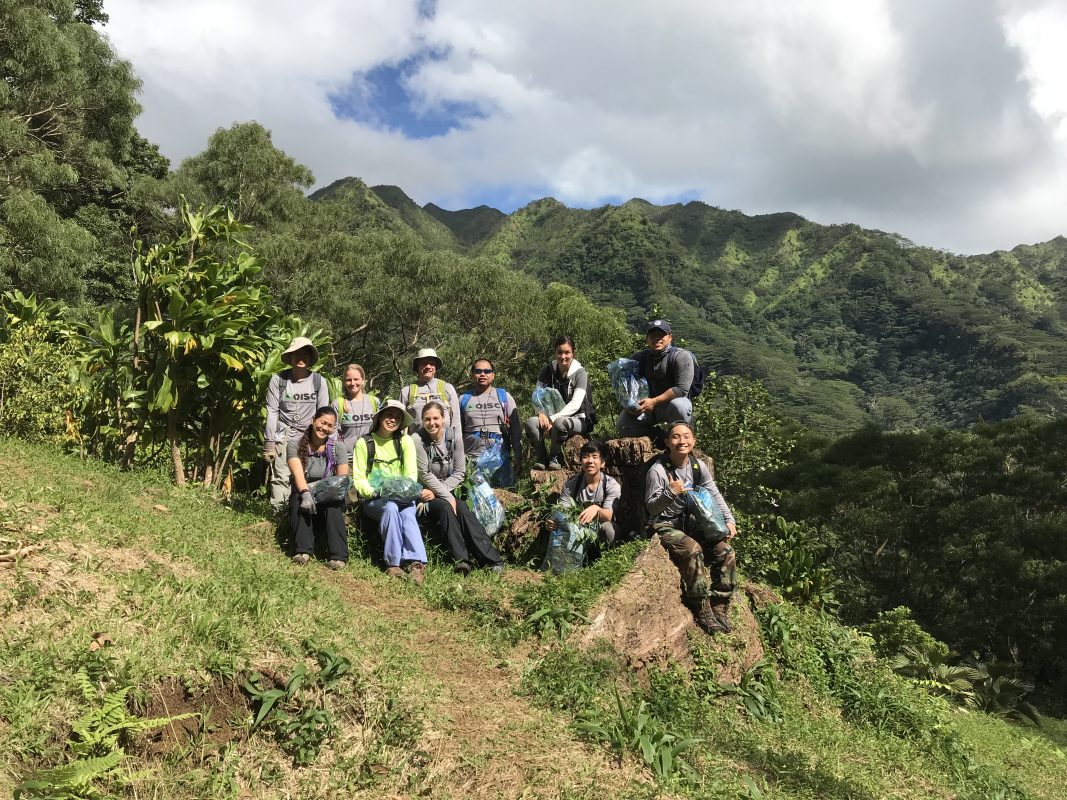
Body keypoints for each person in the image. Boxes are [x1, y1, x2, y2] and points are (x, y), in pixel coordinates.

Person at [646, 421, 737, 634]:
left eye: (686, 436)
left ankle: (720, 604)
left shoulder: (697, 466)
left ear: (693, 441)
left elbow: (714, 493)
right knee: (693, 549)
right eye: (676, 437)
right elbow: (651, 508)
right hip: (665, 524)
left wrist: (729, 520)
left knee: (726, 552)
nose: (682, 441)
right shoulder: (657, 470)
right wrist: (670, 492)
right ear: (667, 442)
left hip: (690, 523)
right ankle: (701, 606)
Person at [413, 401, 504, 575]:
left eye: (436, 418)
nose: (432, 423)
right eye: (427, 419)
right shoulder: (418, 440)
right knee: (446, 506)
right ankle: (461, 560)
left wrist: (443, 492)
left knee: (462, 508)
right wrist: (446, 497)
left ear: (443, 419)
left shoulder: (454, 437)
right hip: (425, 496)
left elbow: (460, 472)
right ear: (422, 421)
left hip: (443, 490)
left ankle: (492, 560)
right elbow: (424, 474)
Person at [351, 400, 428, 584]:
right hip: (374, 498)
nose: (393, 420)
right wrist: (375, 492)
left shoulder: (405, 441)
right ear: (380, 417)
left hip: (402, 495)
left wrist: (399, 491)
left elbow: (410, 475)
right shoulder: (365, 443)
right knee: (391, 508)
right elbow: (359, 479)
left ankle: (417, 563)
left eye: (397, 417)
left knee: (409, 513)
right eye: (389, 415)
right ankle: (393, 563)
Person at [264, 337, 331, 513]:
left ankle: (308, 514)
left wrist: (325, 441)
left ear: (310, 359)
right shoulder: (278, 380)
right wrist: (269, 443)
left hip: (309, 437)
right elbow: (272, 411)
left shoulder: (319, 382)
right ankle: (278, 515)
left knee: (307, 475)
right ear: (290, 357)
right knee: (281, 476)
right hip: (284, 435)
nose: (300, 358)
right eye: (296, 354)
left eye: (305, 354)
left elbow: (324, 413)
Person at [287, 406, 350, 570]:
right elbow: (298, 475)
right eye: (322, 422)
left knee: (333, 505)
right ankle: (303, 551)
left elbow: (341, 480)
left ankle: (338, 556)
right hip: (305, 490)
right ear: (313, 420)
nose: (325, 428)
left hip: (329, 494)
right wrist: (306, 493)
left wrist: (327, 493)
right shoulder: (294, 445)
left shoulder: (338, 448)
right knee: (299, 498)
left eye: (330, 426)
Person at [525, 335, 596, 470]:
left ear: (573, 353)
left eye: (567, 352)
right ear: (555, 352)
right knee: (531, 423)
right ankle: (541, 458)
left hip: (579, 420)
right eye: (560, 352)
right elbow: (537, 396)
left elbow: (575, 404)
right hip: (552, 418)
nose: (563, 356)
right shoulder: (546, 371)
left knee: (560, 423)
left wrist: (552, 419)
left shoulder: (580, 374)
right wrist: (540, 413)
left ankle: (554, 456)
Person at [616, 320, 696, 440]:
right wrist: (629, 405)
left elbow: (681, 389)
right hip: (647, 407)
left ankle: (679, 440)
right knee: (623, 426)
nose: (657, 338)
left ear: (670, 337)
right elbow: (627, 386)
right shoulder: (639, 358)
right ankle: (660, 437)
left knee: (681, 406)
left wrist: (654, 401)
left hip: (671, 405)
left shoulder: (681, 356)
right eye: (653, 336)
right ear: (647, 339)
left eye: (661, 335)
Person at [547, 440, 620, 554]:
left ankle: (607, 558)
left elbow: (609, 516)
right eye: (585, 457)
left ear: (603, 463)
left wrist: (596, 509)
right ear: (581, 461)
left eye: (595, 457)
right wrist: (553, 520)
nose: (590, 461)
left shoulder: (611, 485)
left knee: (609, 529)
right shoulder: (572, 484)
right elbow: (561, 510)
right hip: (576, 529)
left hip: (598, 531)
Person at [460, 358, 523, 486]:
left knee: (503, 496)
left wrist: (518, 456)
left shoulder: (504, 396)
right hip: (471, 460)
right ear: (472, 375)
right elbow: (456, 432)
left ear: (493, 375)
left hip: (499, 461)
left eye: (487, 371)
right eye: (478, 371)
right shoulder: (463, 399)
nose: (483, 374)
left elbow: (515, 428)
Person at [399, 348, 461, 441]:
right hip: (417, 445)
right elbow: (400, 423)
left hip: (445, 445)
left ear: (435, 368)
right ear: (417, 367)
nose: (428, 366)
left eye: (432, 363)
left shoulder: (447, 388)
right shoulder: (406, 391)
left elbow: (456, 422)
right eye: (424, 363)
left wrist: (457, 444)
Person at [335, 363, 379, 448]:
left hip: (370, 456)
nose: (352, 383)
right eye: (348, 380)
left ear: (363, 380)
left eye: (356, 379)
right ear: (344, 382)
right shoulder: (337, 404)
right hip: (347, 458)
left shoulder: (374, 402)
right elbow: (332, 434)